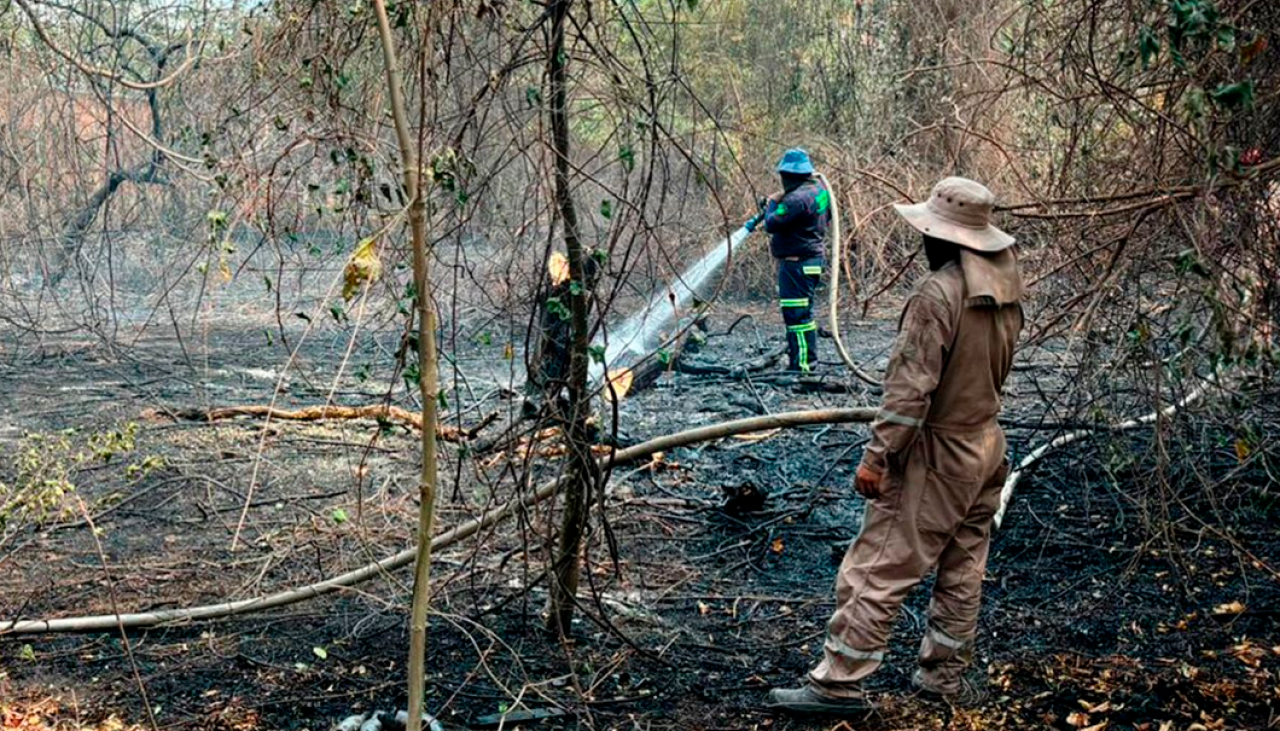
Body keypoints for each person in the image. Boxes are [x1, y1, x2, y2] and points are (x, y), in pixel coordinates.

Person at [767, 177, 1025, 714]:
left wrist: (877, 456)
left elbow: (910, 391)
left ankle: (837, 684)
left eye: (928, 231)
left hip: (938, 453)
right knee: (962, 568)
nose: (922, 240)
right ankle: (943, 680)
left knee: (877, 566)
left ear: (946, 237)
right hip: (987, 447)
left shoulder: (938, 295)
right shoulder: (1004, 285)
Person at [745, 148, 831, 373]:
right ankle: (802, 362)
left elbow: (771, 224)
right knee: (804, 315)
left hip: (797, 266)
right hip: (811, 262)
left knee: (796, 316)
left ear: (789, 175)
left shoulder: (795, 200)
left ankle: (803, 367)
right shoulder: (819, 192)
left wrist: (773, 202)